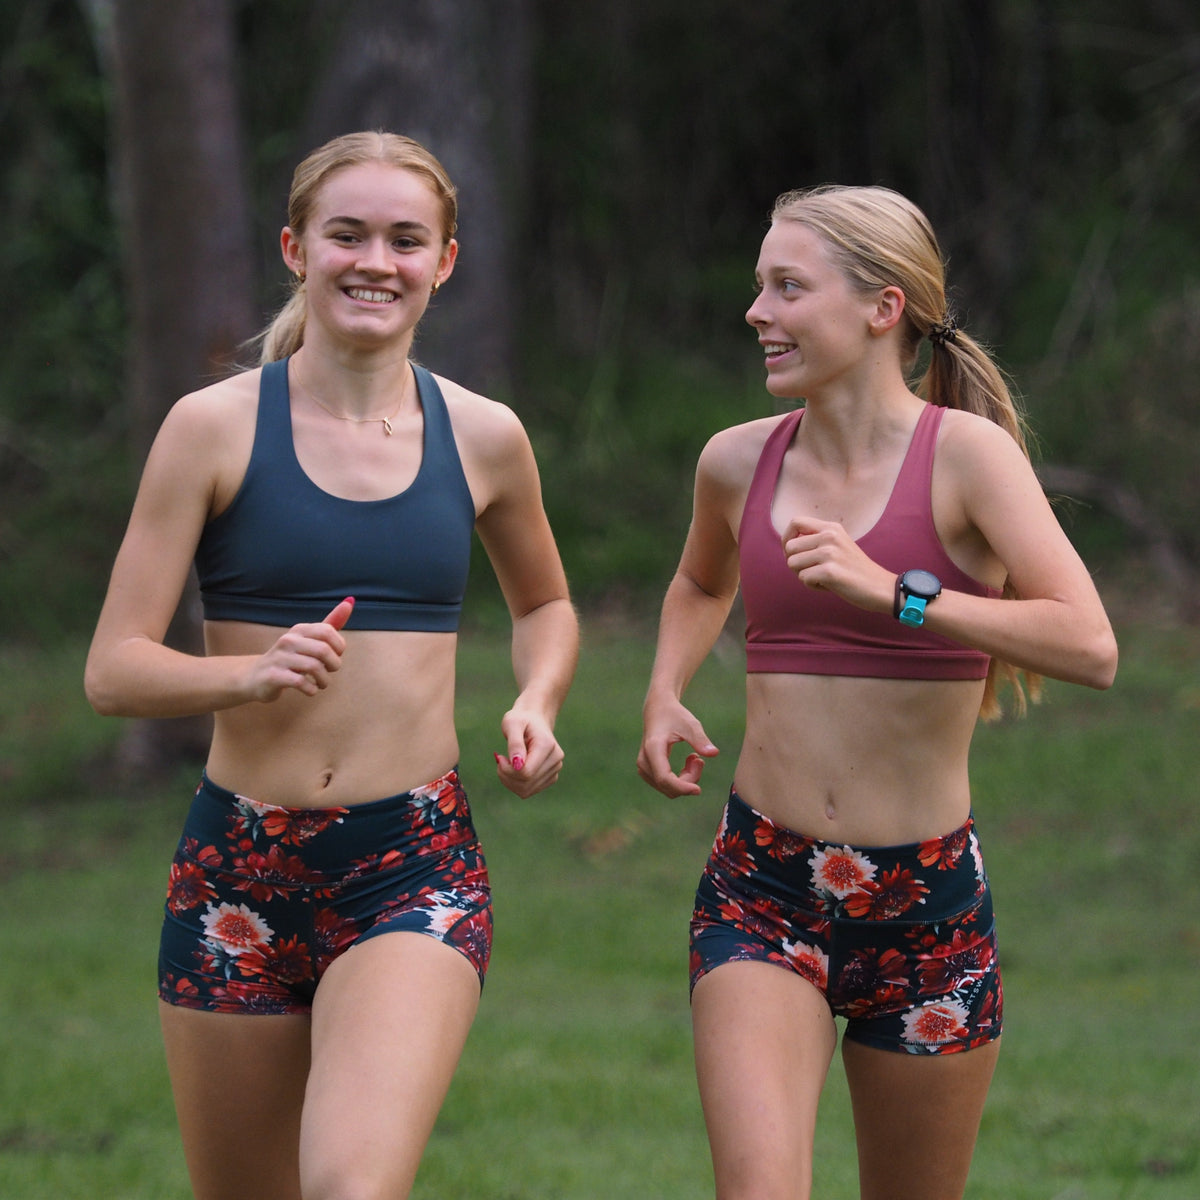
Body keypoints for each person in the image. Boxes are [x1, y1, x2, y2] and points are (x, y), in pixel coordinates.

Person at [85, 130, 579, 1200]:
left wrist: (537, 699)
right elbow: (112, 670)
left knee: (352, 1188)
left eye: (407, 240)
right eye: (346, 234)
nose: (375, 261)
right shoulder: (211, 430)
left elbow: (544, 601)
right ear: (295, 248)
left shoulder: (484, 435)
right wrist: (243, 676)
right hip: (236, 869)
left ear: (444, 262)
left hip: (410, 861)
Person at [637, 184, 1117, 1200]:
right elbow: (699, 582)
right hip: (760, 889)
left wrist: (899, 593)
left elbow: (1089, 643)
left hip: (930, 906)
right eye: (759, 288)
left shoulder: (968, 460)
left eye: (786, 288)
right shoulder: (736, 462)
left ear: (881, 307)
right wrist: (664, 691)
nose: (758, 313)